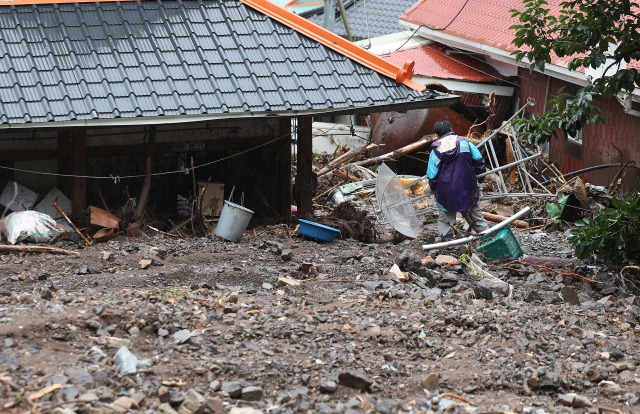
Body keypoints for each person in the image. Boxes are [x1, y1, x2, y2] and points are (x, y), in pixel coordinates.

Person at [426, 120, 489, 241]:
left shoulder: (435, 149)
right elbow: (479, 162)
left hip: (445, 192)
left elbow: (432, 176)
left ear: (436, 134)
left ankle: (446, 244)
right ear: (451, 130)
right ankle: (488, 239)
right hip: (467, 188)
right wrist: (480, 180)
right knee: (476, 219)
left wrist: (432, 188)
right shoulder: (464, 142)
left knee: (445, 219)